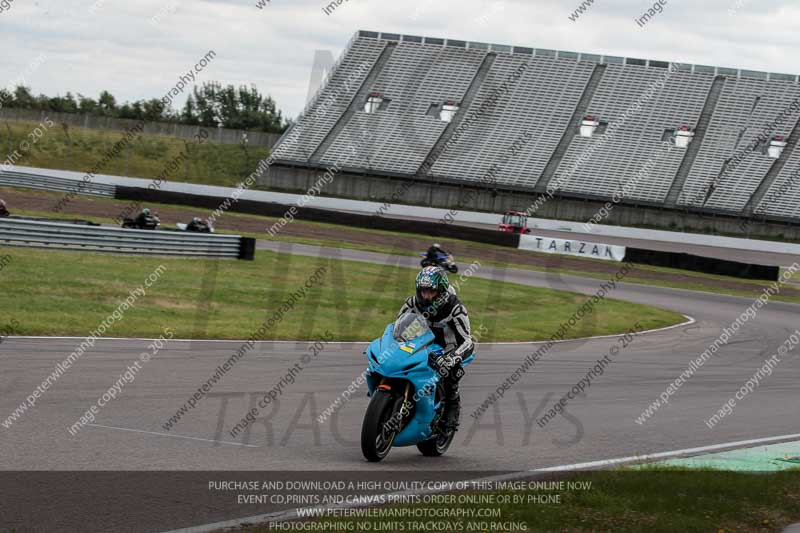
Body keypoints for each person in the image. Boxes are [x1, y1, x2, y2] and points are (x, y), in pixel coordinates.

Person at [398, 266, 474, 430]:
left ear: (441, 292)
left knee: (449, 373)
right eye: (423, 291)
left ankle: (452, 407)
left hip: (447, 348)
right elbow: (395, 328)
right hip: (421, 343)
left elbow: (468, 341)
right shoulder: (412, 303)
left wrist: (452, 358)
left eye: (431, 292)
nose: (426, 297)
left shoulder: (455, 308)